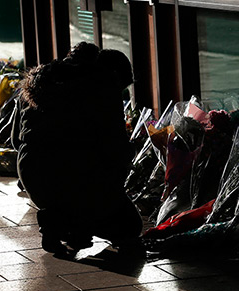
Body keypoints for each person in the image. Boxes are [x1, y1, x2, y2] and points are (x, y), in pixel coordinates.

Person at [11, 43, 143, 256]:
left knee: (81, 196)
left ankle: (64, 222)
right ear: (114, 74)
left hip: (33, 176)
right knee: (130, 227)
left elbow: (16, 140)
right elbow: (115, 147)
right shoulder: (103, 86)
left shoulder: (34, 84)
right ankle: (69, 223)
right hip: (80, 176)